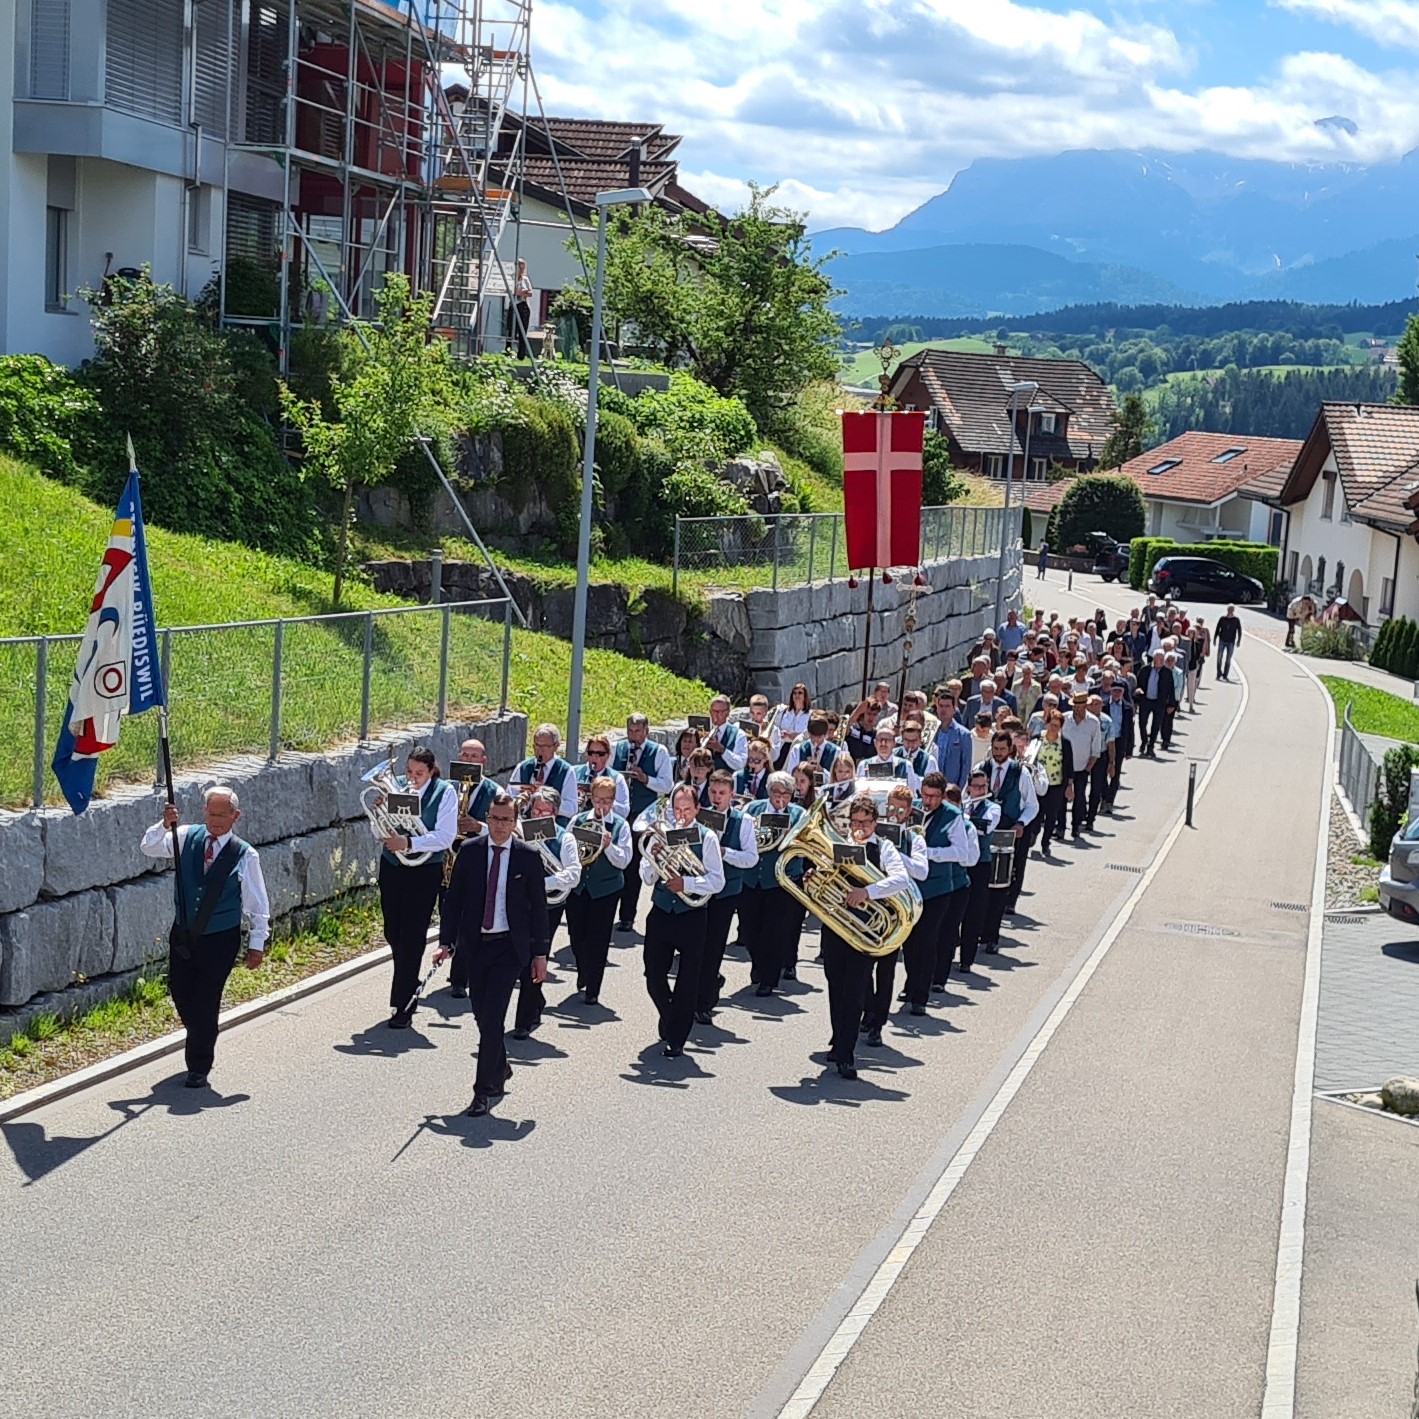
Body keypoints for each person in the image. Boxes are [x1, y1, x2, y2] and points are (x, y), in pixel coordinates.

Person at [140, 787, 269, 1088]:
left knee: (207, 999)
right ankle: (202, 1032)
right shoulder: (186, 836)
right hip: (183, 934)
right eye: (211, 814)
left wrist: (257, 944)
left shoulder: (245, 854)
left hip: (220, 939)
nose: (216, 821)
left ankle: (199, 1065)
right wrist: (164, 823)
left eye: (222, 815)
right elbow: (150, 846)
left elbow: (257, 903)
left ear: (236, 816)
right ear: (204, 812)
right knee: (180, 990)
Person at [435, 791, 549, 1117]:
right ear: (488, 819)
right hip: (476, 946)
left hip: (509, 949)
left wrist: (540, 954)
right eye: (496, 819)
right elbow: (454, 900)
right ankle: (500, 1066)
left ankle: (482, 1092)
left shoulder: (528, 857)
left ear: (515, 823)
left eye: (507, 820)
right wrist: (446, 942)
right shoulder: (470, 851)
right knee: (482, 1016)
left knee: (494, 1016)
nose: (500, 826)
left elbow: (539, 909)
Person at [819, 794, 912, 1080]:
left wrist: (867, 892)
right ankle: (838, 1040)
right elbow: (823, 871)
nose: (859, 827)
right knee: (835, 986)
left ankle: (846, 1053)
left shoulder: (884, 848)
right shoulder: (837, 844)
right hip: (835, 926)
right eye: (855, 822)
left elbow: (901, 879)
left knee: (854, 991)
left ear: (875, 823)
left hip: (865, 930)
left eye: (865, 822)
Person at [638, 784, 726, 1057]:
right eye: (677, 809)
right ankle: (670, 1014)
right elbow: (647, 877)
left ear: (697, 810)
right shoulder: (662, 835)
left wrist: (686, 883)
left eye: (687, 809)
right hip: (662, 910)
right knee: (653, 974)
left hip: (692, 915)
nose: (682, 815)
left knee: (688, 980)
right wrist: (654, 858)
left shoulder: (707, 838)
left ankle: (676, 1039)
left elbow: (717, 881)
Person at [374, 747, 457, 1028]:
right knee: (393, 932)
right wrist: (380, 813)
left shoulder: (444, 793)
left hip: (424, 870)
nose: (412, 778)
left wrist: (410, 843)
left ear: (431, 771)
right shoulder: (396, 788)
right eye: (409, 771)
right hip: (392, 866)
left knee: (412, 936)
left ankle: (403, 1005)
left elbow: (445, 837)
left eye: (419, 773)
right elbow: (380, 831)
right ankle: (409, 981)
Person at [898, 771, 976, 1021]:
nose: (928, 800)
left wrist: (929, 853)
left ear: (942, 796)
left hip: (938, 888)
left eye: (933, 796)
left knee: (927, 941)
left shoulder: (953, 816)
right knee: (909, 941)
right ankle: (911, 982)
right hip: (911, 887)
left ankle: (920, 996)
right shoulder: (914, 808)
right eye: (925, 795)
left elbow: (961, 853)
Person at [561, 776, 633, 1014]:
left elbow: (624, 861)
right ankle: (584, 969)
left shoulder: (621, 826)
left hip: (606, 889)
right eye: (598, 799)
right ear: (591, 798)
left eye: (607, 801)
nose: (602, 805)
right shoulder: (578, 820)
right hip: (579, 886)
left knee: (598, 939)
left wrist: (608, 845)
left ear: (613, 801)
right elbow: (567, 849)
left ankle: (593, 988)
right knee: (576, 935)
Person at [512, 788, 580, 1035]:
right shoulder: (520, 833)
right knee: (518, 957)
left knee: (537, 956)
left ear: (555, 813)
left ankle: (524, 1021)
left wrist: (541, 883)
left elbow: (573, 874)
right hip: (519, 904)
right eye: (536, 810)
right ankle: (536, 1001)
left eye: (546, 812)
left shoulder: (565, 838)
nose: (539, 816)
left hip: (549, 906)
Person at [697, 770, 760, 1014]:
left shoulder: (743, 821)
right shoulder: (699, 815)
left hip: (727, 891)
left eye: (722, 793)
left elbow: (751, 858)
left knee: (714, 946)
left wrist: (724, 852)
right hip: (700, 887)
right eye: (713, 792)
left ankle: (705, 1002)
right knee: (697, 945)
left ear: (731, 794)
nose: (717, 797)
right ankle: (703, 988)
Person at [741, 773, 806, 993]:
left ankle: (768, 980)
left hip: (781, 882)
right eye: (777, 792)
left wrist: (791, 837)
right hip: (752, 878)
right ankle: (758, 964)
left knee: (775, 933)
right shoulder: (753, 809)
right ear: (769, 792)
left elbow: (805, 847)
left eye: (786, 793)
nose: (781, 797)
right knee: (749, 930)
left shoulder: (798, 814)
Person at [612, 713, 674, 932]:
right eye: (630, 731)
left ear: (646, 731)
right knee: (616, 863)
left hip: (643, 815)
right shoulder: (618, 749)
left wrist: (645, 779)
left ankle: (627, 916)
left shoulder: (659, 752)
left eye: (638, 731)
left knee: (634, 866)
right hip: (620, 815)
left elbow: (667, 785)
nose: (634, 736)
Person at [447, 738, 498, 999]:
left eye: (473, 757)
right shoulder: (448, 788)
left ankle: (459, 977)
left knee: (468, 919)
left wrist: (479, 827)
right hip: (447, 860)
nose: (468, 761)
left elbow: (506, 829)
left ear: (483, 761)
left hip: (477, 861)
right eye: (464, 756)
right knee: (448, 915)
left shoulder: (495, 792)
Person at [509, 724, 578, 823]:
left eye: (545, 746)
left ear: (556, 746)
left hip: (554, 826)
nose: (540, 751)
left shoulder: (566, 771)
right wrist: (520, 802)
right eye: (537, 746)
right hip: (524, 824)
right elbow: (509, 798)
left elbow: (572, 808)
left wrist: (547, 803)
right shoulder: (523, 767)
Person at [1059, 693, 1102, 841]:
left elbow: (1096, 749)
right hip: (1064, 766)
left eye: (1082, 706)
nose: (1078, 709)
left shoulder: (1093, 722)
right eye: (1076, 706)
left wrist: (1088, 769)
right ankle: (1060, 827)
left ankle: (1076, 826)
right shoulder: (1064, 719)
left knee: (1079, 797)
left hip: (1082, 767)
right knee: (1061, 798)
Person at [1031, 713, 1068, 855]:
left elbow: (1068, 764)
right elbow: (1030, 758)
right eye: (1051, 725)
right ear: (1046, 724)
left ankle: (1045, 843)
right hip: (1038, 784)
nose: (1053, 728)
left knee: (1051, 816)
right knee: (1037, 813)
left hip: (1056, 784)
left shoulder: (1065, 742)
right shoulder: (1037, 739)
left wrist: (1069, 785)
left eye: (1057, 726)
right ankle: (1034, 833)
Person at [573, 735, 631, 820]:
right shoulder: (574, 772)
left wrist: (604, 801)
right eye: (591, 753)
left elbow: (624, 811)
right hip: (578, 820)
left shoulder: (617, 778)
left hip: (604, 823)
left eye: (600, 754)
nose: (595, 757)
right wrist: (574, 801)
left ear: (608, 755)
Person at [1137, 649, 1178, 757]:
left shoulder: (1167, 672)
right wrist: (1138, 694)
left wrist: (1172, 704)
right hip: (1146, 701)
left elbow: (1171, 690)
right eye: (1159, 659)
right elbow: (1139, 683)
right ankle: (1144, 741)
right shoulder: (1145, 669)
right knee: (1142, 723)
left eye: (1162, 659)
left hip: (1159, 702)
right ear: (1154, 659)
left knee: (1156, 725)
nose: (1161, 661)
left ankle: (1151, 746)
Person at [703, 695, 747, 773]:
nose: (716, 715)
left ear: (727, 712)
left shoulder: (739, 734)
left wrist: (722, 750)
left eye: (720, 712)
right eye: (714, 711)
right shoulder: (704, 730)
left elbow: (740, 764)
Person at [777, 684, 813, 768]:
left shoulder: (810, 715)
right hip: (781, 747)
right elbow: (776, 727)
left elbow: (809, 734)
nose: (797, 695)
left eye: (800, 693)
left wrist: (794, 736)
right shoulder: (784, 711)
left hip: (798, 748)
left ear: (805, 696)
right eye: (794, 693)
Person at [512, 258, 533, 360]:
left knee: (522, 331)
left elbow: (530, 293)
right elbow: (512, 291)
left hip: (523, 305)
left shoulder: (525, 279)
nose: (521, 270)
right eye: (519, 267)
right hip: (513, 304)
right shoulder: (512, 279)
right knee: (510, 329)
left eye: (522, 268)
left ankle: (521, 355)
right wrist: (519, 292)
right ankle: (508, 350)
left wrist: (521, 293)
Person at [1215, 603, 1243, 680]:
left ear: (1233, 610)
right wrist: (1215, 638)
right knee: (1219, 657)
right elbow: (1217, 628)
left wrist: (1238, 641)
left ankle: (1225, 674)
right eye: (1229, 609)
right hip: (1222, 640)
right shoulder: (1222, 619)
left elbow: (1239, 631)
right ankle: (1218, 673)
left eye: (1231, 610)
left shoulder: (1236, 620)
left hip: (1231, 641)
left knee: (1228, 659)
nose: (1230, 611)